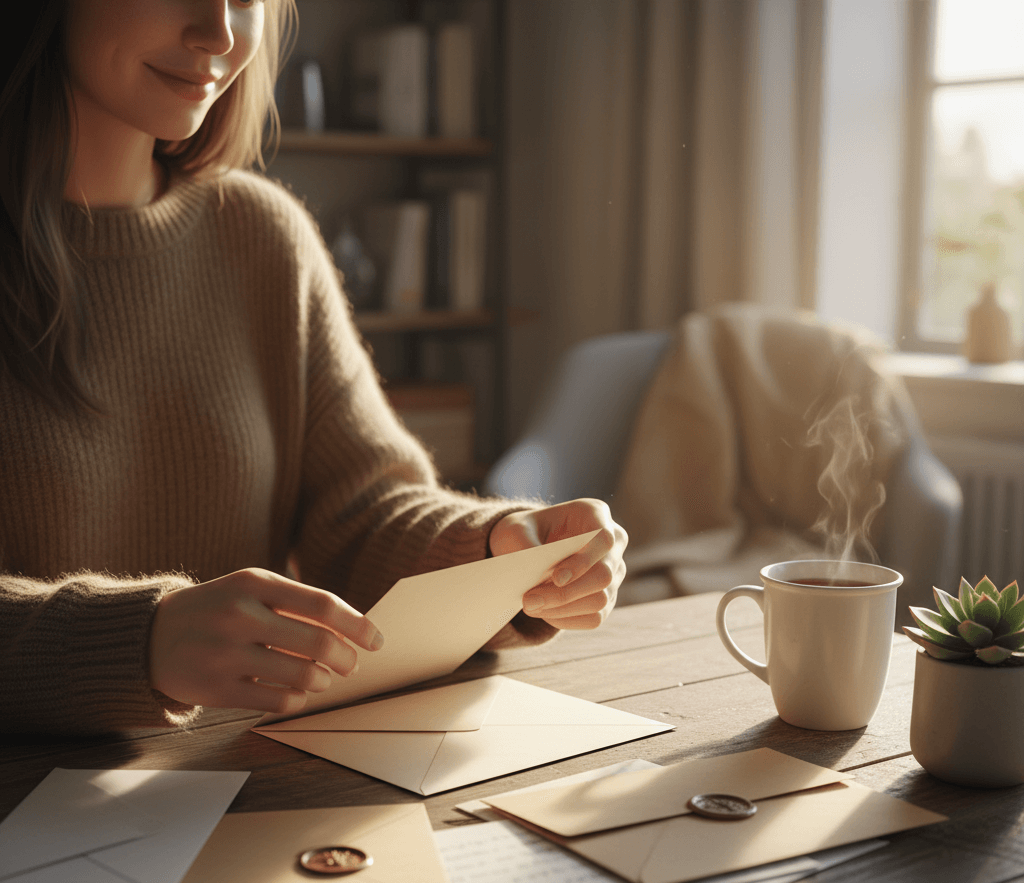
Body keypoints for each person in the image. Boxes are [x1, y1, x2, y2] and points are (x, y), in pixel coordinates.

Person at [0, 0, 627, 735]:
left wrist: (498, 552)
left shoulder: (263, 237)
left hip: (232, 785)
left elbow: (360, 516)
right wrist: (137, 642)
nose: (220, 33)